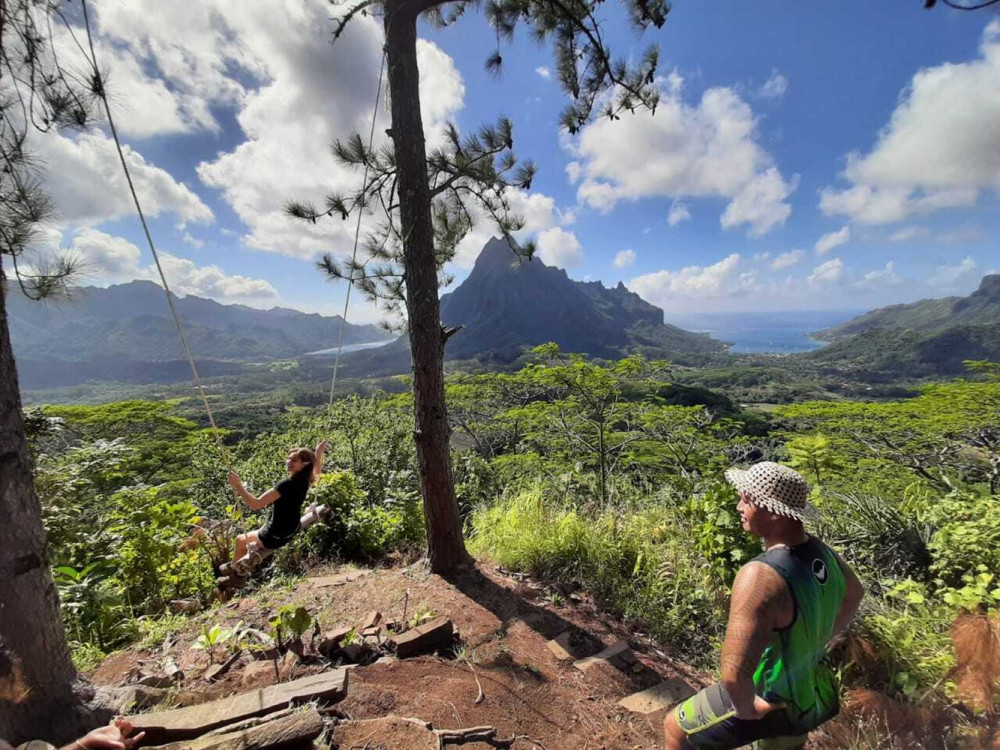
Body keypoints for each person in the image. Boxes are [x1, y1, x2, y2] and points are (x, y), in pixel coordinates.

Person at [664, 462, 864, 750]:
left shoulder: (759, 577)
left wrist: (747, 709)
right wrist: (817, 639)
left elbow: (734, 674)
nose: (738, 506)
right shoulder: (822, 551)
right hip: (805, 696)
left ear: (772, 513)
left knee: (675, 728)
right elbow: (855, 593)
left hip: (767, 697)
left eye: (746, 499)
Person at [227, 440, 327, 565]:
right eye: (289, 459)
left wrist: (238, 485)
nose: (289, 462)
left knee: (240, 540)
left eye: (294, 461)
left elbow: (255, 504)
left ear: (304, 465)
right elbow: (316, 471)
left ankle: (235, 572)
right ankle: (238, 566)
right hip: (292, 529)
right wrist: (318, 453)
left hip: (276, 536)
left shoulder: (285, 485)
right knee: (255, 532)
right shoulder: (304, 481)